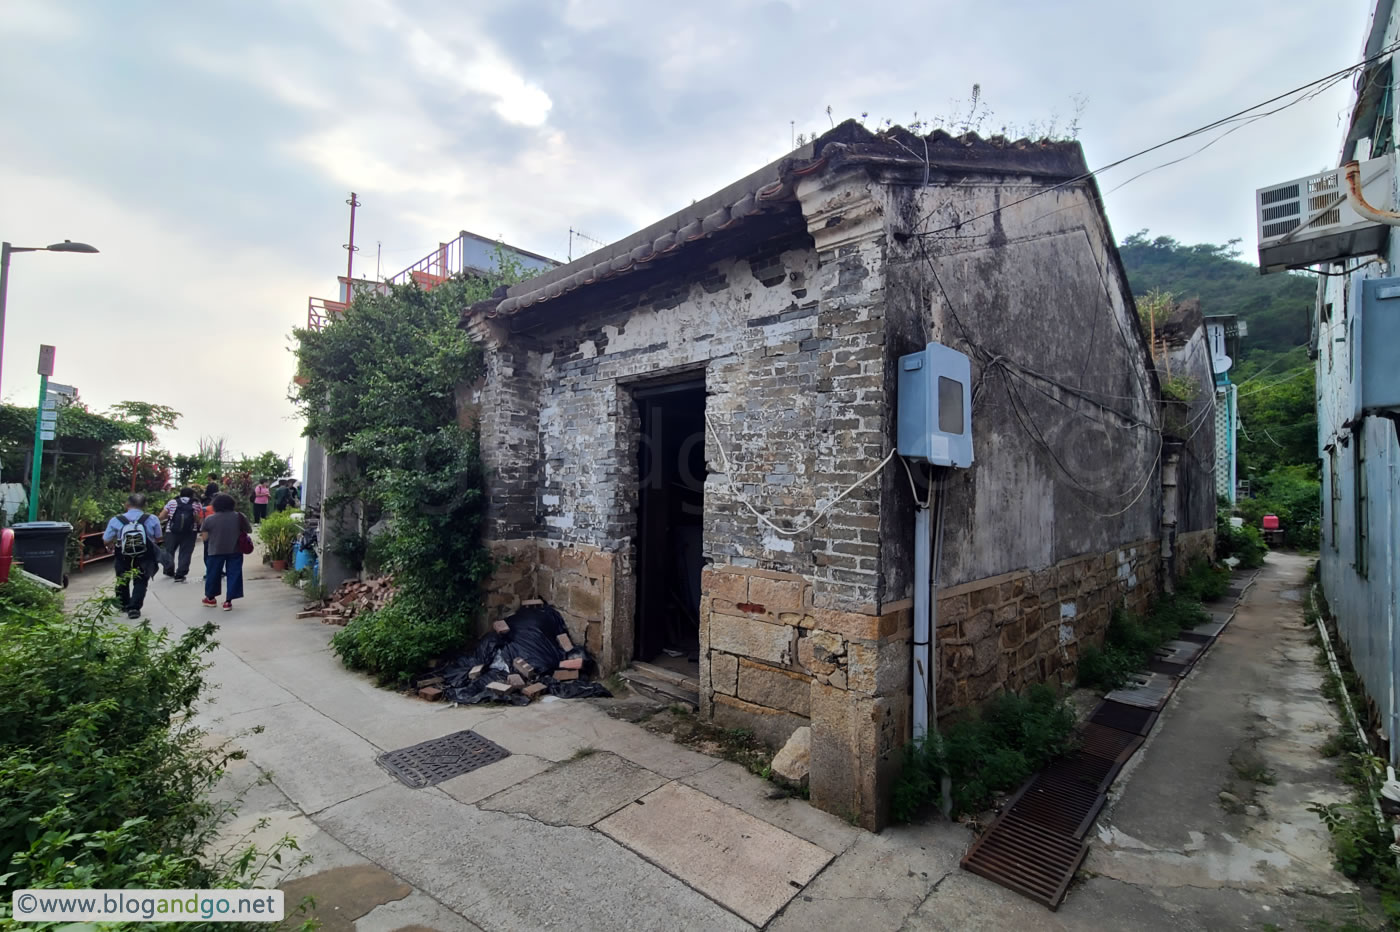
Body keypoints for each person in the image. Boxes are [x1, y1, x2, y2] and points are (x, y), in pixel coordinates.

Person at [102, 493, 164, 619]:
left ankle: (124, 604)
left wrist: (111, 544)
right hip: (145, 553)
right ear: (145, 505)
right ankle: (134, 608)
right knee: (141, 579)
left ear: (127, 505)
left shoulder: (116, 520)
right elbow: (158, 537)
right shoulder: (152, 518)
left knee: (122, 578)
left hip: (123, 553)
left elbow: (106, 539)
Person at [201, 493, 251, 611]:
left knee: (213, 574)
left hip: (215, 550)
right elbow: (248, 530)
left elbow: (204, 537)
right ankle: (228, 602)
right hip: (235, 550)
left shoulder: (209, 519)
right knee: (234, 573)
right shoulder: (239, 516)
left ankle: (211, 598)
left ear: (215, 505)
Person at [160, 487, 203, 583]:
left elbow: (162, 516)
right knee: (185, 552)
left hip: (171, 531)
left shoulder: (172, 502)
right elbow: (198, 519)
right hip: (190, 532)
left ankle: (169, 570)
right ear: (192, 495)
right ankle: (180, 574)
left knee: (169, 550)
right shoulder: (196, 503)